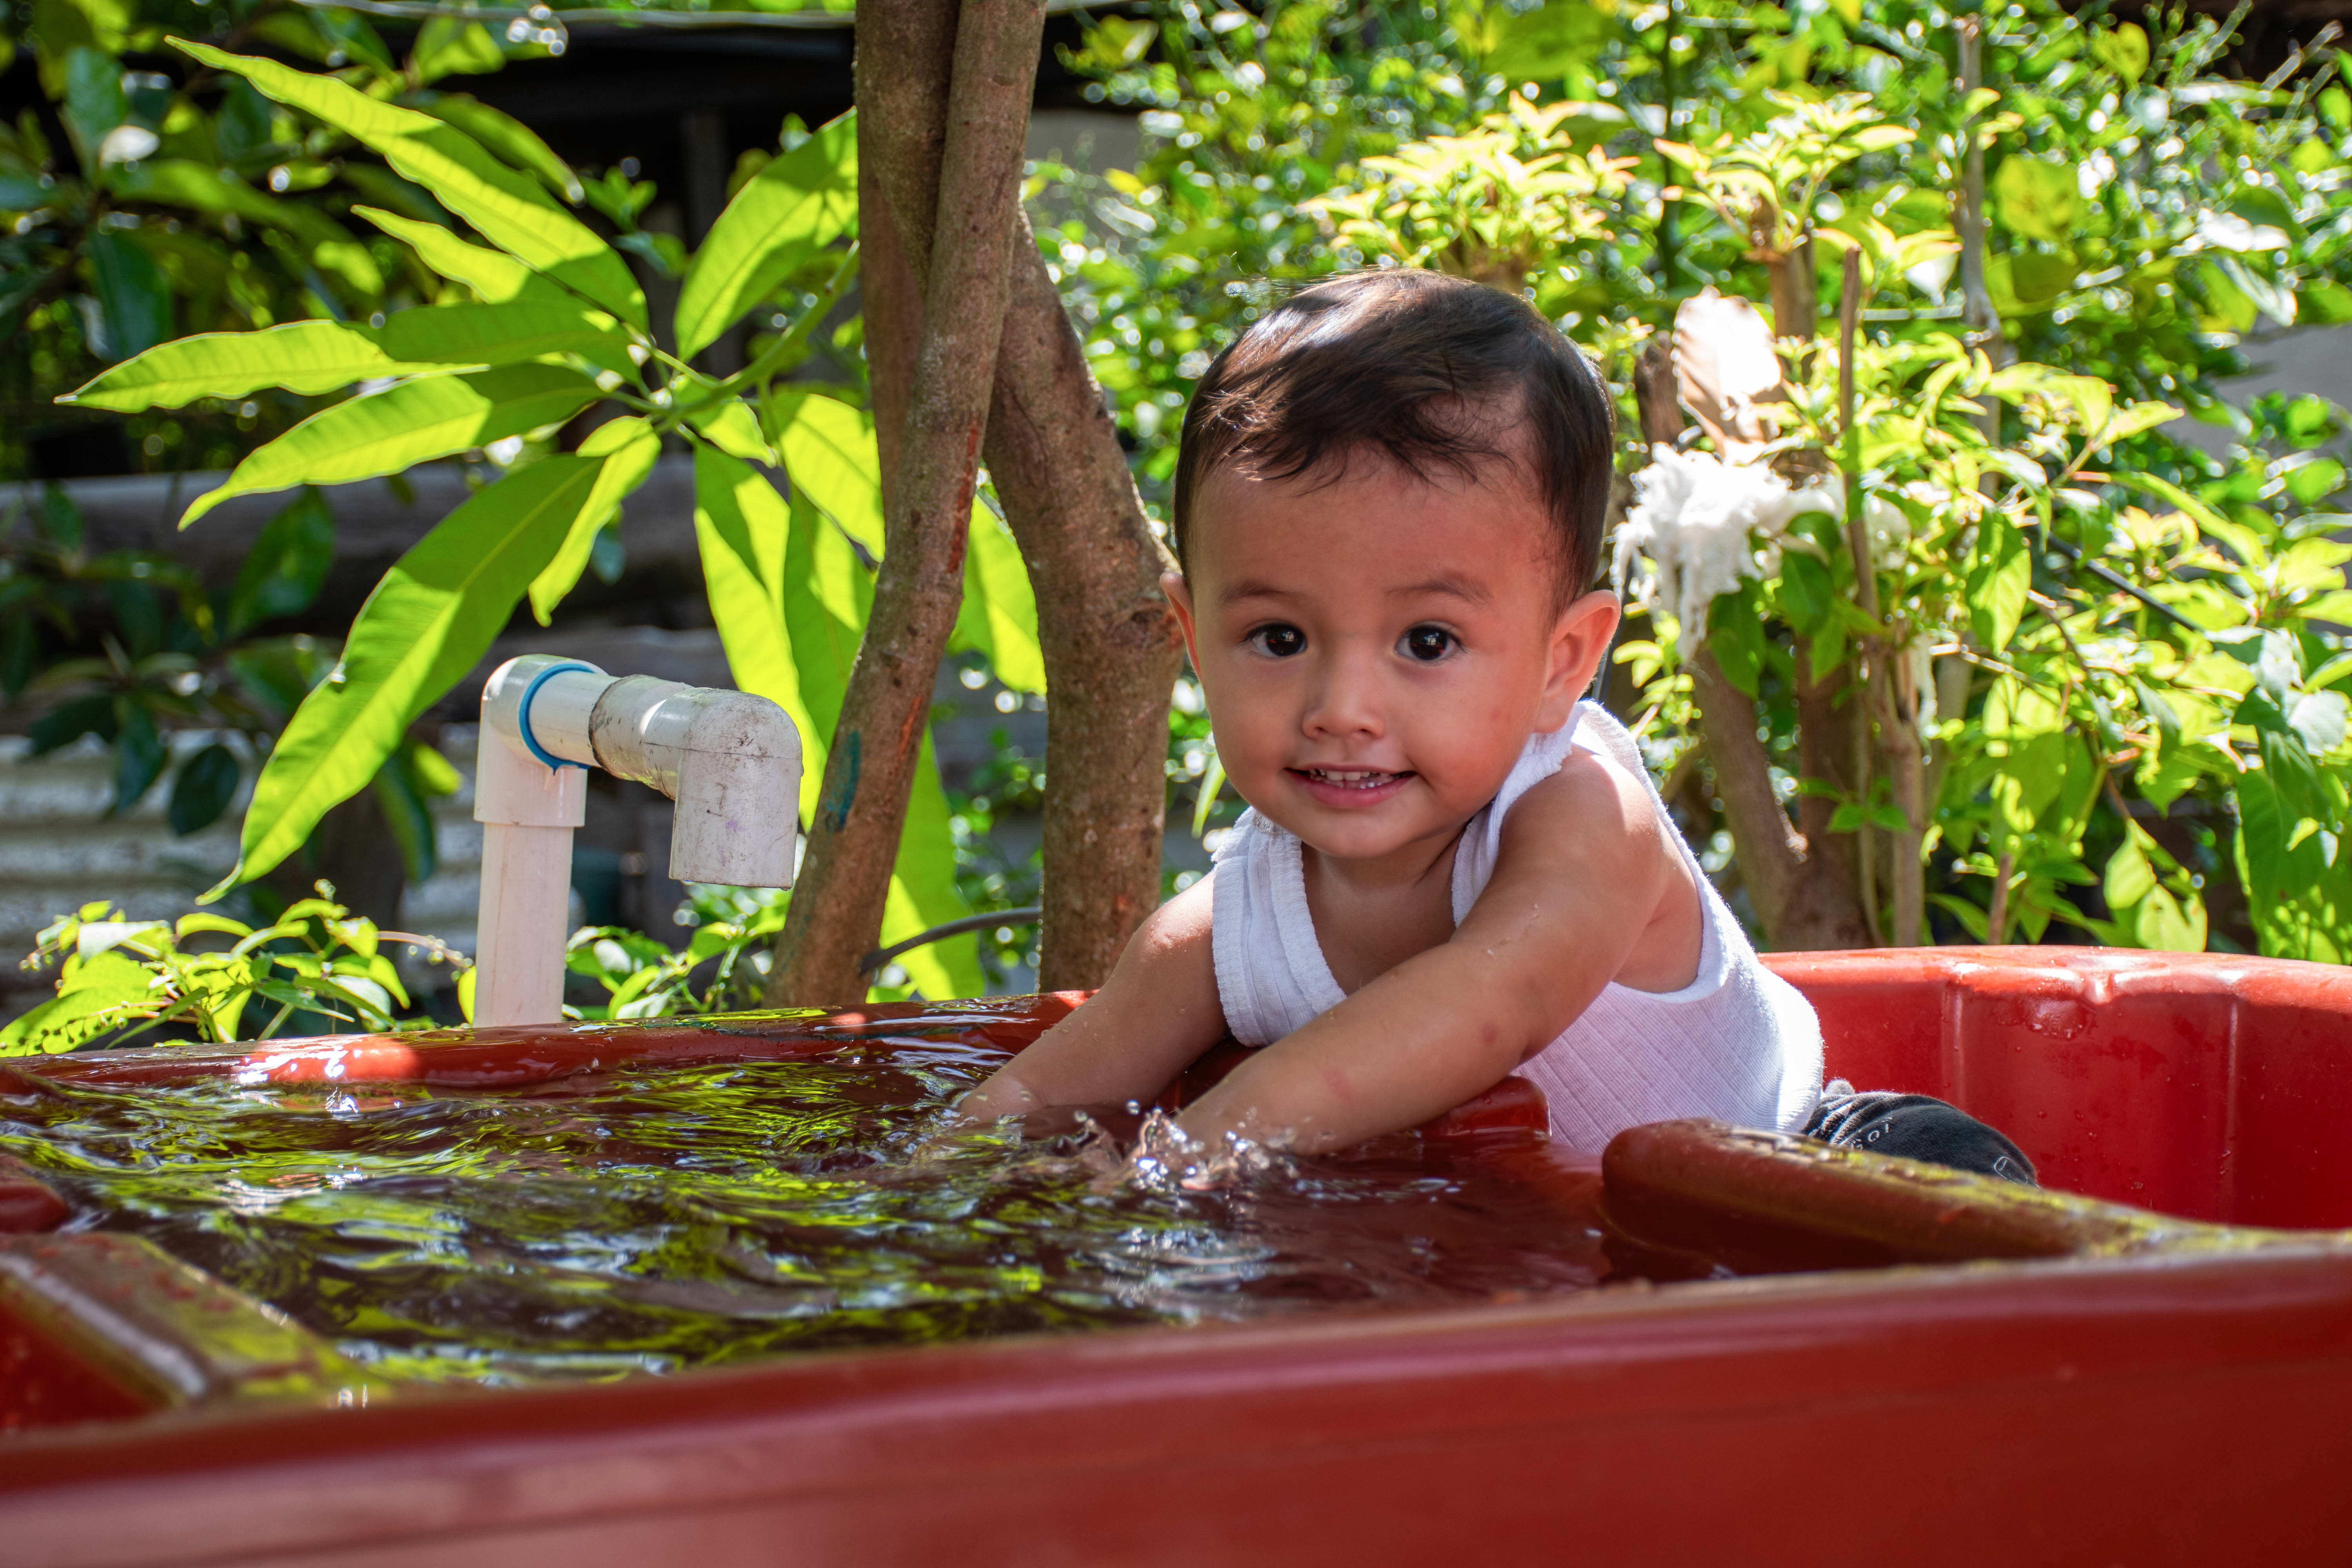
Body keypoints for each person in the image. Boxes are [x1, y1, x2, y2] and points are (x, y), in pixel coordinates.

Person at [956, 269, 2031, 1186]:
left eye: (1427, 642)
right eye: (1279, 638)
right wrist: (933, 1182)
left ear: (1563, 663)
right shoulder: (1230, 926)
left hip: (1805, 1162)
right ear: (1195, 638)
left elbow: (1487, 1006)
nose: (1343, 709)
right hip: (1571, 1264)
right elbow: (1037, 1097)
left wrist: (1188, 1158)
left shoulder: (1582, 815)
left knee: (1959, 1205)